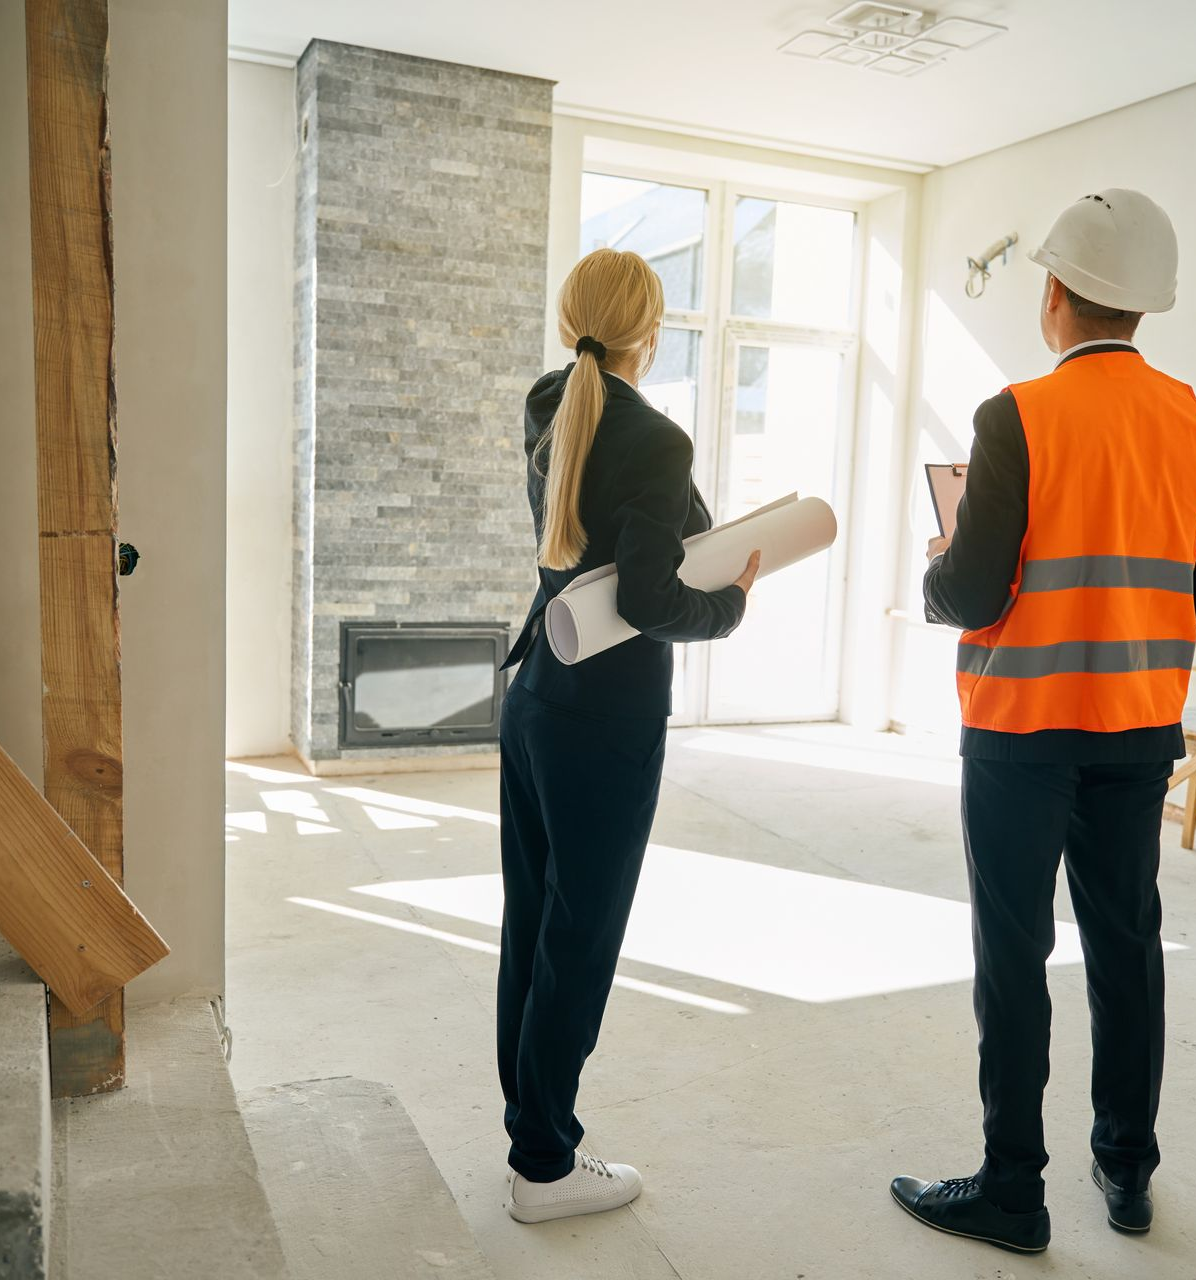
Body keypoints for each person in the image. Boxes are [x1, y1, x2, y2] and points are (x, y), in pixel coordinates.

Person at [890, 189, 1196, 1254]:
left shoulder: (1015, 418)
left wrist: (935, 568)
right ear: (1145, 308)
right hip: (1138, 726)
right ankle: (1127, 1169)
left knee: (1015, 951)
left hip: (1021, 729)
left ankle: (1013, 1188)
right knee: (1125, 942)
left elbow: (974, 589)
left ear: (1054, 295)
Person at [495, 248, 760, 1224]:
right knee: (583, 930)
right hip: (603, 720)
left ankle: (532, 1132)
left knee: (535, 920)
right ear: (654, 330)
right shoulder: (653, 437)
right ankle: (545, 1164)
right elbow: (653, 597)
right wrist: (729, 602)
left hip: (534, 694)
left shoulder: (546, 402)